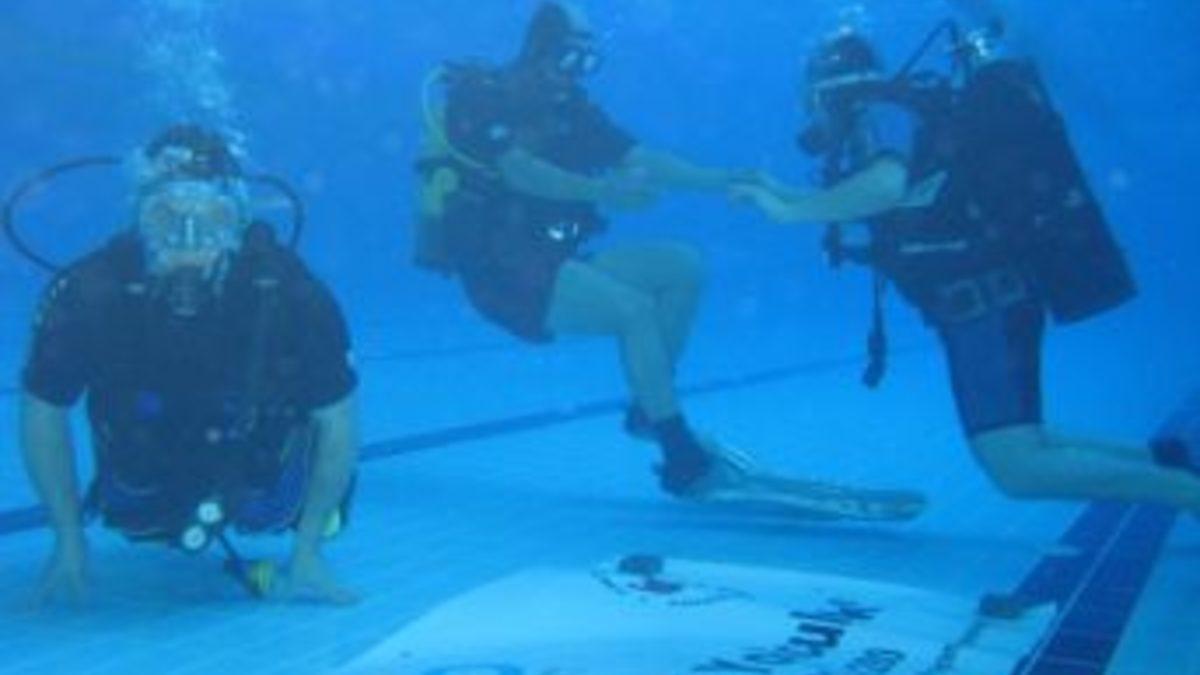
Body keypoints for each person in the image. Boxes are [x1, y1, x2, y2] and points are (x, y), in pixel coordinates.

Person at [414, 3, 925, 520]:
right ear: (538, 49)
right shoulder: (481, 97)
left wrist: (724, 179)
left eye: (588, 63)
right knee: (632, 310)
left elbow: (644, 160)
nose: (577, 73)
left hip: (550, 258)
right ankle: (683, 460)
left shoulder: (572, 110)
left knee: (682, 266)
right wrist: (602, 191)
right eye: (570, 59)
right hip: (499, 273)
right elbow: (520, 171)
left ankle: (649, 411)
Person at [734, 25, 1200, 515]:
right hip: (992, 300)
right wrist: (783, 194)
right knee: (1026, 440)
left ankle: (1189, 493)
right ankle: (1172, 463)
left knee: (1018, 468)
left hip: (985, 307)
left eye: (812, 102)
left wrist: (790, 212)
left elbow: (886, 186)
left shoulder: (879, 114)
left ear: (825, 91)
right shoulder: (898, 114)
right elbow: (892, 198)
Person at [18, 124, 361, 605]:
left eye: (212, 220)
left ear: (238, 222)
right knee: (136, 518)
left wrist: (307, 551)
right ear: (139, 219)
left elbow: (338, 417)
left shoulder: (290, 293)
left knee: (292, 513)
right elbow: (43, 407)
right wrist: (68, 537)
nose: (188, 240)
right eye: (166, 218)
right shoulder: (92, 291)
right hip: (146, 461)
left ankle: (306, 526)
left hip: (255, 462)